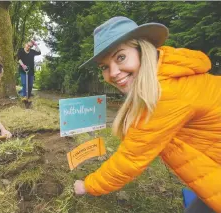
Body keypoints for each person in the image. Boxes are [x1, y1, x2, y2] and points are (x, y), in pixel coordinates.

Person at [75, 16, 221, 213]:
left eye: (120, 57)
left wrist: (87, 185)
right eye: (105, 67)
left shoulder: (165, 94)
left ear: (143, 50)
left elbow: (130, 159)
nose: (114, 73)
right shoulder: (169, 72)